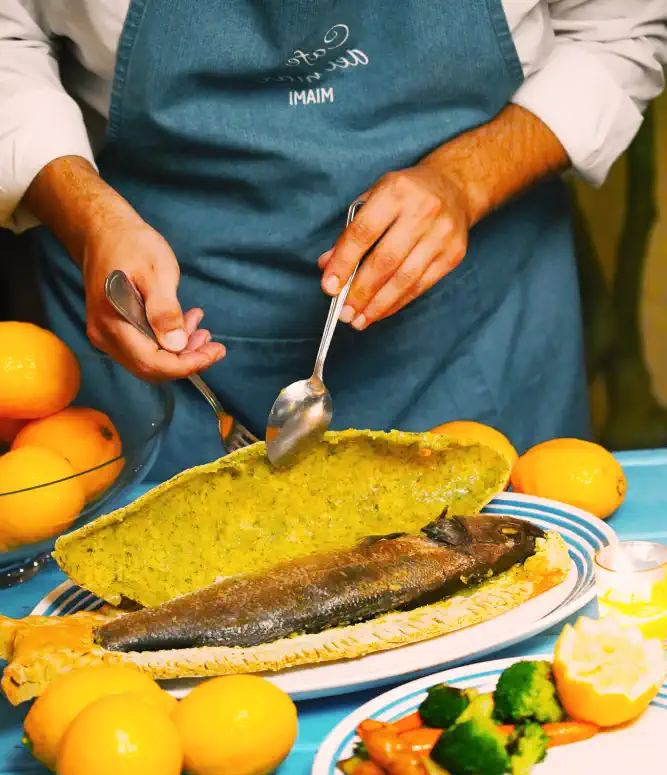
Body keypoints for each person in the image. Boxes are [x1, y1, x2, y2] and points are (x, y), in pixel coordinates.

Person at [1, 2, 666, 481]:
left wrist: (468, 178)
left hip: (473, 338)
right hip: (154, 353)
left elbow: (621, 27)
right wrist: (87, 216)